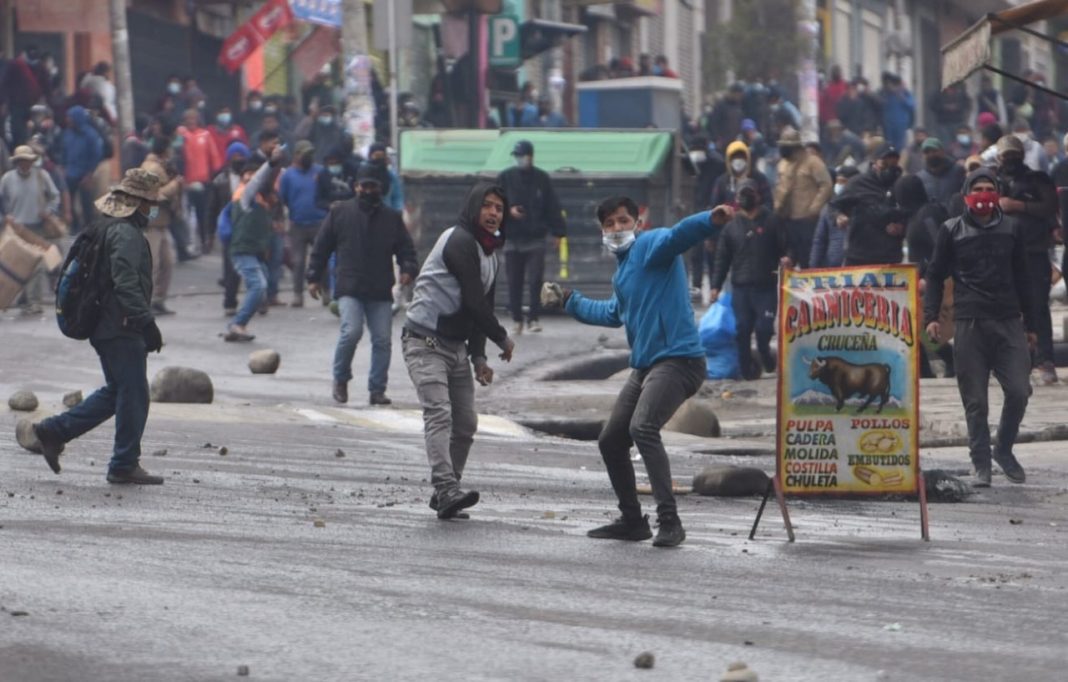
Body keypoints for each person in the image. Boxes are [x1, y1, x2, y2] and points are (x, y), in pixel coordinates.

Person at [543, 201, 732, 548]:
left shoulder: (650, 246)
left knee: (642, 428)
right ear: (603, 231)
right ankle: (633, 521)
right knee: (611, 439)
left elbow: (679, 235)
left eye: (623, 220)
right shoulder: (623, 273)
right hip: (646, 366)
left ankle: (670, 521)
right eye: (609, 223)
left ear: (638, 222)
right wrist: (569, 300)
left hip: (680, 361)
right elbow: (613, 313)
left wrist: (711, 220)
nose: (617, 228)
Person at [19, 169, 166, 484]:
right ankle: (124, 464)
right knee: (134, 393)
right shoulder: (126, 235)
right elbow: (125, 285)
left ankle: (54, 430)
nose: (154, 209)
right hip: (120, 326)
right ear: (137, 203)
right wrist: (146, 323)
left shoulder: (107, 228)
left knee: (118, 391)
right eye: (150, 203)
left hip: (106, 325)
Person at [402, 183, 516, 520]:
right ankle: (447, 487)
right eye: (488, 206)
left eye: (499, 208)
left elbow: (482, 305)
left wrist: (479, 357)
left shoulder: (490, 253)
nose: (494, 213)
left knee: (465, 423)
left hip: (455, 348)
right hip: (425, 343)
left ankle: (447, 493)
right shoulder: (459, 241)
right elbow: (473, 301)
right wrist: (502, 338)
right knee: (439, 415)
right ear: (473, 208)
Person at [924, 168, 1035, 487]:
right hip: (969, 322)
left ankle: (1003, 449)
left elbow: (1024, 277)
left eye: (990, 188)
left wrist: (1032, 323)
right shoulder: (951, 230)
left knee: (1018, 390)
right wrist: (932, 316)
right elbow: (934, 275)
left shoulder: (1012, 228)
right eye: (979, 188)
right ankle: (981, 464)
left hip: (1008, 321)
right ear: (966, 195)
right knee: (975, 401)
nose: (984, 194)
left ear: (997, 193)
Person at [307, 163, 418, 405]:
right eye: (364, 186)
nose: (368, 190)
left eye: (373, 186)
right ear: (356, 187)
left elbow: (406, 248)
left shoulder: (391, 218)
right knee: (351, 331)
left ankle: (377, 390)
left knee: (382, 340)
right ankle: (341, 379)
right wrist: (314, 277)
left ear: (381, 188)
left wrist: (408, 268)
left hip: (380, 288)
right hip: (350, 286)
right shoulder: (340, 213)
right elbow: (321, 246)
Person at [995, 134, 1059, 385]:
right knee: (1007, 311)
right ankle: (1014, 362)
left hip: (1033, 252)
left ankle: (1045, 361)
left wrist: (1017, 205)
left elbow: (1048, 206)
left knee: (1038, 308)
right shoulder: (991, 180)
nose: (1010, 159)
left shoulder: (1036, 179)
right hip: (1001, 254)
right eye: (1006, 155)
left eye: (1015, 154)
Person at [709, 180, 789, 380]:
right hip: (741, 288)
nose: (744, 198)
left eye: (748, 193)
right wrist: (715, 286)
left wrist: (788, 258)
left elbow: (786, 245)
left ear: (758, 196)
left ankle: (766, 357)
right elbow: (722, 259)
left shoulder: (772, 221)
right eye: (740, 195)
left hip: (766, 287)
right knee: (742, 329)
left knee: (764, 328)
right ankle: (747, 371)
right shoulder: (731, 227)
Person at [495, 140, 566, 335]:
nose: (520, 160)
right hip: (512, 238)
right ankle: (517, 318)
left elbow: (552, 205)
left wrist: (558, 232)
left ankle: (533, 317)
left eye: (522, 156)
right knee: (514, 281)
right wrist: (509, 212)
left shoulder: (542, 179)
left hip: (535, 238)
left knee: (536, 279)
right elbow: (494, 202)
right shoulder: (506, 177)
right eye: (517, 156)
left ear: (530, 156)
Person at [902, 174, 954, 378]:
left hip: (933, 278)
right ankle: (935, 365)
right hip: (925, 277)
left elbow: (937, 244)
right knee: (921, 326)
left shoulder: (927, 214)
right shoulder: (917, 213)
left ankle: (949, 358)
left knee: (926, 324)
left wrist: (932, 273)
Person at [226, 152, 282, 342]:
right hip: (243, 251)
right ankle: (238, 323)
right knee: (258, 286)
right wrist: (270, 163)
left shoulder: (262, 201)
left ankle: (240, 322)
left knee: (260, 286)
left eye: (253, 173)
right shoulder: (245, 195)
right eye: (247, 174)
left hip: (254, 252)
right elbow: (257, 181)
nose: (251, 177)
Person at [0, 145, 60, 315]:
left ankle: (35, 301)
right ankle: (24, 298)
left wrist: (48, 211)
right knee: (18, 266)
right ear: (17, 162)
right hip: (16, 229)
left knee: (37, 266)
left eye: (28, 161)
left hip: (37, 228)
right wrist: (6, 216)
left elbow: (55, 196)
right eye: (22, 161)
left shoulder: (42, 176)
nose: (25, 164)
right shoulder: (7, 179)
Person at [833, 144, 907, 265]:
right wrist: (838, 216)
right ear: (874, 163)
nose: (889, 169)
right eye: (885, 164)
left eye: (893, 165)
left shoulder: (901, 185)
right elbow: (835, 205)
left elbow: (911, 211)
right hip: (859, 255)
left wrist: (902, 227)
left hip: (890, 256)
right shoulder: (858, 183)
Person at [773, 128, 833, 269]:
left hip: (808, 220)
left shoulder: (813, 162)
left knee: (810, 260)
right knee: (787, 260)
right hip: (787, 219)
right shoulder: (782, 164)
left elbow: (826, 185)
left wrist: (815, 208)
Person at [280, 140, 329, 307]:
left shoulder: (320, 171)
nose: (308, 157)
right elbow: (284, 198)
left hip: (320, 222)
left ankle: (327, 292)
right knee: (298, 261)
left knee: (323, 259)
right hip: (298, 224)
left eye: (310, 154)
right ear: (296, 156)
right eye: (304, 154)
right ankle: (297, 294)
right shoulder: (288, 175)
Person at [208, 141, 250, 316]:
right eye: (235, 157)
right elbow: (212, 208)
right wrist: (209, 233)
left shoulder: (251, 178)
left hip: (248, 228)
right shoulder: (220, 180)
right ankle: (230, 301)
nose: (238, 160)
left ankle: (259, 299)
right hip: (229, 229)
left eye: (241, 156)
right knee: (230, 267)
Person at [140, 138, 181, 316]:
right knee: (152, 264)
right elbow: (152, 195)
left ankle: (158, 299)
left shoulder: (161, 167)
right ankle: (145, 302)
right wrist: (175, 185)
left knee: (167, 262)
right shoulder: (151, 168)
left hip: (160, 222)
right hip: (151, 222)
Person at [177, 108, 222, 254]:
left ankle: (204, 241)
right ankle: (189, 243)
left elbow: (214, 157)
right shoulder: (181, 135)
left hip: (203, 181)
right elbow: (176, 155)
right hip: (186, 181)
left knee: (203, 213)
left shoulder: (206, 135)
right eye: (188, 119)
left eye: (193, 119)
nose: (191, 122)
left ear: (198, 120)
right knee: (186, 214)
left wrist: (215, 174)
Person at [60, 105, 104, 234]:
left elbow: (96, 154)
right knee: (69, 200)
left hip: (85, 174)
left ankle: (90, 228)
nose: (68, 120)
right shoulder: (67, 133)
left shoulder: (90, 135)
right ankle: (74, 225)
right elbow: (63, 151)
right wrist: (63, 167)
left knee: (86, 203)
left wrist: (90, 173)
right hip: (70, 173)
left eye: (70, 117)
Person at [809, 165, 859, 268]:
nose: (839, 185)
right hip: (833, 269)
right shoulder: (829, 209)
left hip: (859, 268)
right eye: (838, 182)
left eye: (843, 181)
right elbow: (819, 241)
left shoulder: (864, 207)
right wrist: (813, 267)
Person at [711, 140, 771, 209]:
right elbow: (715, 207)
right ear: (728, 160)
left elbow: (768, 203)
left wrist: (755, 214)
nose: (738, 160)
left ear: (747, 158)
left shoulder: (759, 178)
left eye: (741, 157)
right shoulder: (722, 182)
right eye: (734, 157)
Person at [916, 138, 966, 209]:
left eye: (934, 151)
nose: (931, 155)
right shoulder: (919, 178)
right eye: (927, 152)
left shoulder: (958, 171)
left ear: (942, 152)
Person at [879, 73, 915, 150]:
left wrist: (900, 95)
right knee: (889, 145)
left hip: (901, 124)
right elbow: (880, 104)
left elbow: (911, 105)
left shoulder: (906, 93)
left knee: (900, 145)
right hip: (889, 124)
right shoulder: (886, 93)